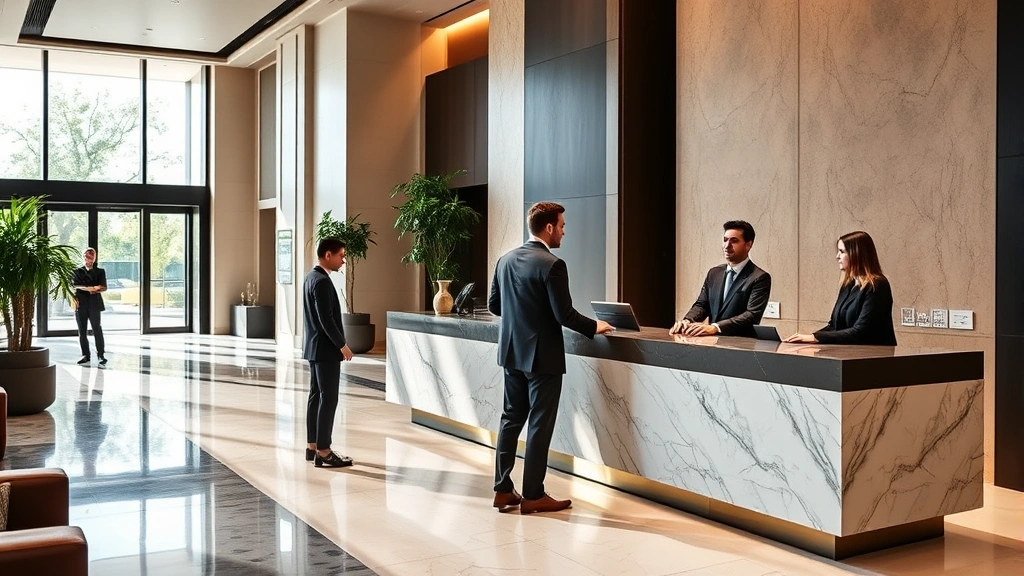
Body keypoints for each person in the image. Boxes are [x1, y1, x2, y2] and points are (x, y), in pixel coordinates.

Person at [488, 201, 614, 514]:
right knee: (539, 426)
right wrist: (595, 326)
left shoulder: (504, 260)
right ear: (548, 228)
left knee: (510, 419)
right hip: (542, 357)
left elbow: (494, 305)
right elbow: (565, 314)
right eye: (562, 226)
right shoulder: (552, 264)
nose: (563, 231)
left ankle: (503, 489)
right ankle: (533, 495)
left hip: (511, 353)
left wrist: (522, 316)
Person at [785, 231, 897, 346]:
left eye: (842, 252)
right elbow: (834, 326)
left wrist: (816, 338)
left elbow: (862, 331)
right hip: (849, 355)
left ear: (856, 254)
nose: (837, 256)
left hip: (873, 358)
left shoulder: (877, 285)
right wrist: (809, 339)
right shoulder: (848, 285)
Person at [302, 237, 355, 468]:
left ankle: (312, 446)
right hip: (325, 350)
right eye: (341, 255)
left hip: (314, 349)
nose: (343, 260)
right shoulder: (322, 281)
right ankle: (324, 451)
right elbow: (326, 319)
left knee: (316, 396)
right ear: (328, 255)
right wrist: (342, 345)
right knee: (328, 398)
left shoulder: (310, 278)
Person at [670, 220, 771, 337]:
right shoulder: (714, 273)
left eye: (734, 241)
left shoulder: (759, 277)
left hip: (741, 346)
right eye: (725, 240)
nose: (727, 246)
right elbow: (702, 305)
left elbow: (752, 315)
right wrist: (687, 321)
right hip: (711, 344)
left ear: (748, 244)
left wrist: (716, 327)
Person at [72, 247, 107, 366]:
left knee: (97, 329)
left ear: (95, 257)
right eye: (87, 255)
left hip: (94, 305)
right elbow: (76, 286)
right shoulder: (77, 271)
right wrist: (92, 288)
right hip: (80, 305)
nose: (90, 258)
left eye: (92, 255)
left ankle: (101, 354)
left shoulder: (100, 271)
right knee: (82, 331)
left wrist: (90, 288)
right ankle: (85, 355)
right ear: (83, 256)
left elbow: (103, 287)